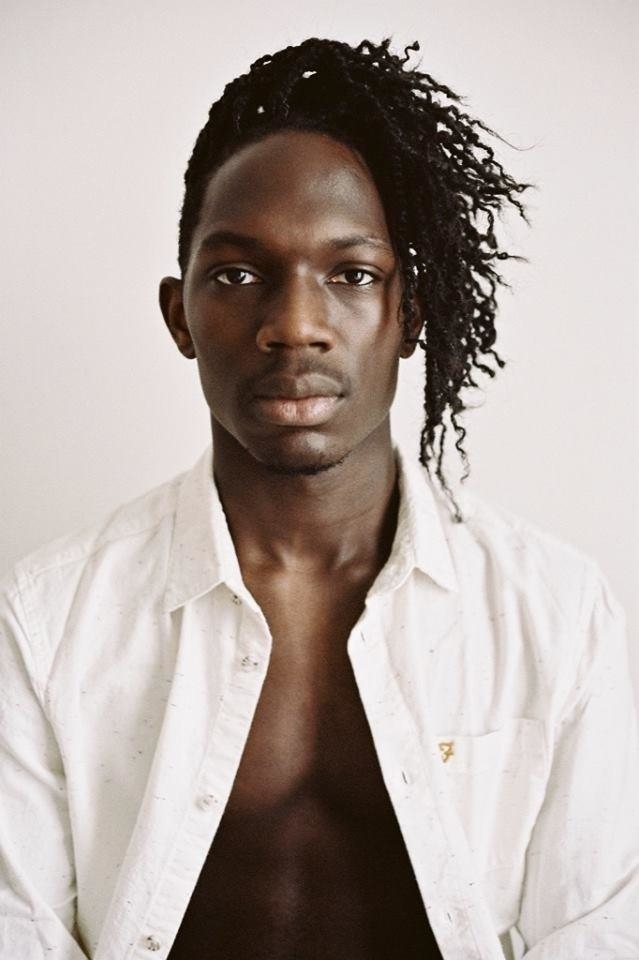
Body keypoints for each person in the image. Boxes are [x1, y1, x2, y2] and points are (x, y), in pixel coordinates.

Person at [0, 36, 637, 960]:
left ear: (411, 313)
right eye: (238, 274)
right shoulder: (50, 616)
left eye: (352, 275)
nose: (295, 325)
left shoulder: (556, 613)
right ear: (179, 315)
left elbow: (600, 932)